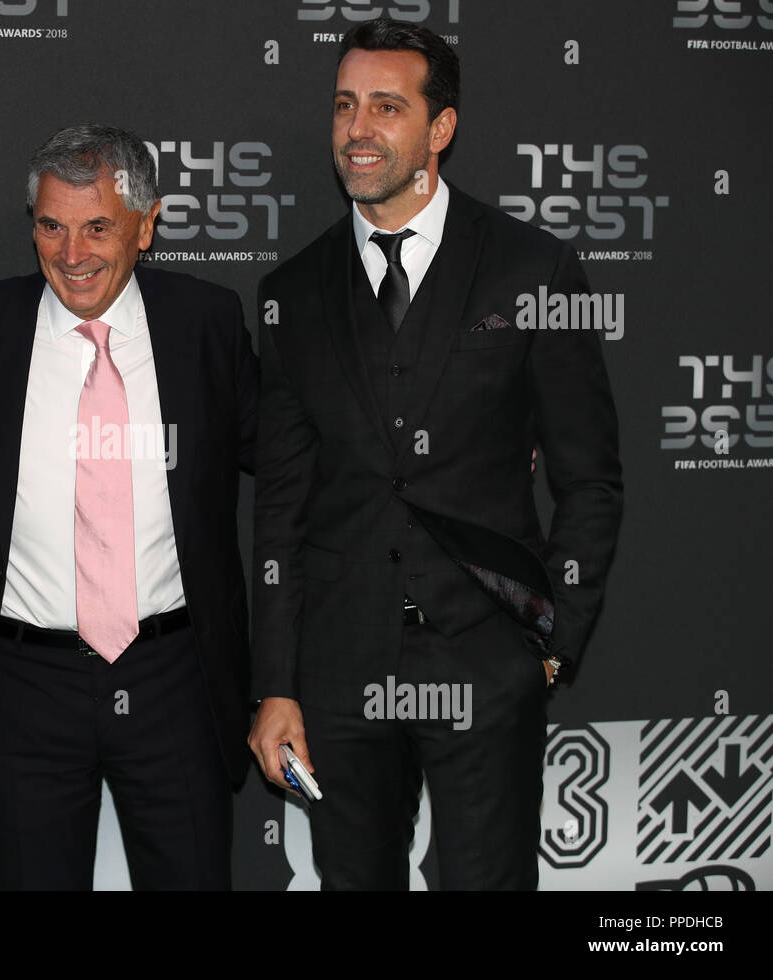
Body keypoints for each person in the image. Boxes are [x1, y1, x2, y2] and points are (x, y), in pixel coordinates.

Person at [248, 19, 623, 889]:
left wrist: (552, 641)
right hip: (339, 676)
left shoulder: (534, 271)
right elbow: (280, 504)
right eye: (345, 105)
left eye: (386, 105)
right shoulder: (290, 294)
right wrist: (277, 682)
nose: (358, 129)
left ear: (440, 127)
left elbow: (591, 478)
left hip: (487, 663)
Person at [0, 124, 257, 889]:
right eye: (51, 225)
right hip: (25, 685)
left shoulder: (205, 320)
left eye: (98, 227)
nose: (71, 253)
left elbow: (283, 451)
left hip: (176, 677)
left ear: (148, 225)